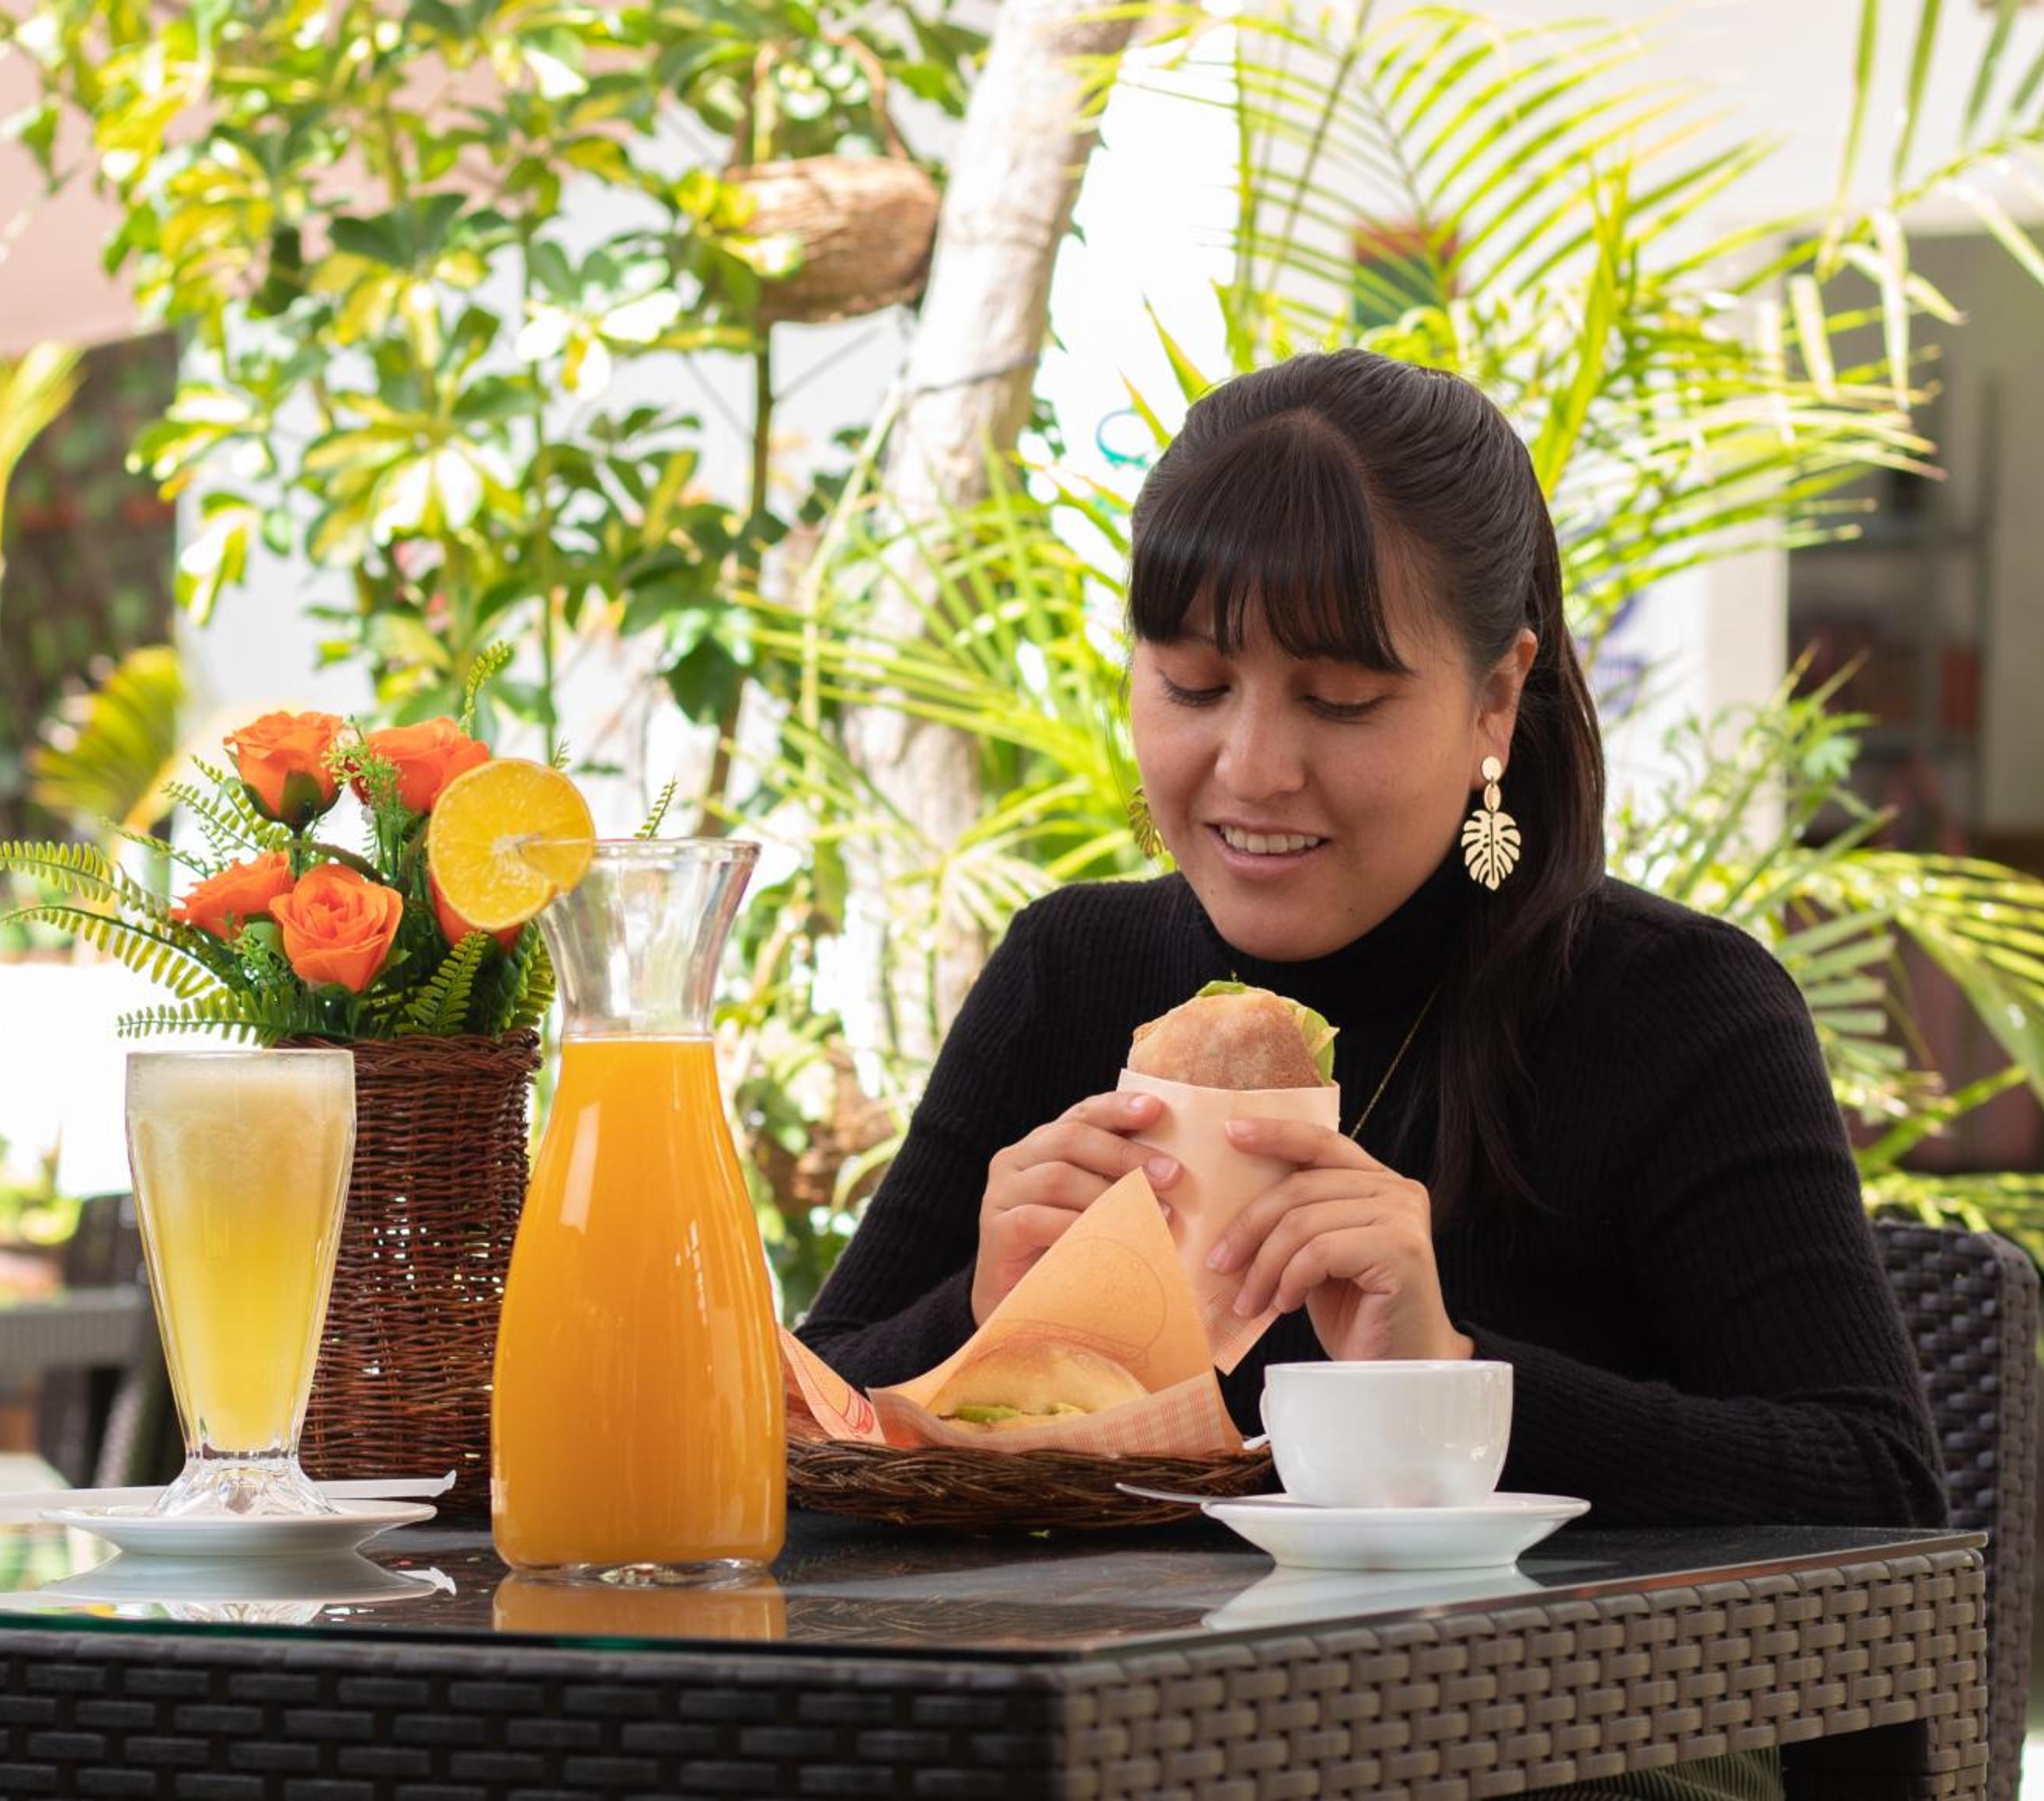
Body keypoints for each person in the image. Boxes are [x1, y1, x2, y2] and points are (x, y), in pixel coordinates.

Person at [799, 348, 1947, 1799]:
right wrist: (975, 1315)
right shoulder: (1067, 974)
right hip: (1106, 1750)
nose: (1251, 766)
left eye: (1339, 699)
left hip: (1548, 1749)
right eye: (1194, 684)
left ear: (1495, 699)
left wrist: (1446, 1378)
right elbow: (799, 1436)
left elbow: (1877, 1485)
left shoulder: (1675, 1009)